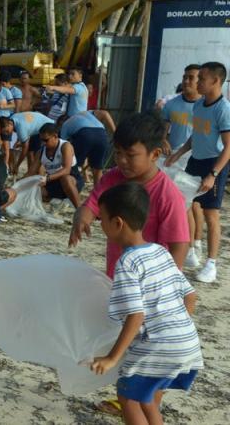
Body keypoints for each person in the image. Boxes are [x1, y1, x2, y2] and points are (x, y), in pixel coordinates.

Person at [90, 182, 203, 425]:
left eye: (102, 219)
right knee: (148, 399)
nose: (100, 225)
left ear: (117, 223)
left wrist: (111, 358)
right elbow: (190, 296)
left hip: (157, 346)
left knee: (127, 396)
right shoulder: (160, 252)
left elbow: (136, 315)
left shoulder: (127, 263)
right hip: (186, 342)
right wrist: (174, 329)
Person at [69, 112, 190, 278]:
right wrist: (81, 217)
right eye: (118, 153)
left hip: (151, 279)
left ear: (154, 154)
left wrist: (172, 282)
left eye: (131, 155)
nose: (122, 160)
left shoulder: (168, 195)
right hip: (117, 274)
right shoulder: (112, 178)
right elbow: (92, 205)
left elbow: (179, 244)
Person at [166, 61, 230, 283]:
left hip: (214, 163)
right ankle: (192, 250)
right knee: (187, 205)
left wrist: (213, 174)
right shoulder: (199, 105)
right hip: (195, 160)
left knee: (211, 214)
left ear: (216, 81)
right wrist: (179, 152)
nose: (197, 82)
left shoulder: (224, 109)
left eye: (201, 78)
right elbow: (197, 135)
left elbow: (229, 147)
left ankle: (211, 264)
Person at [161, 65, 204, 270]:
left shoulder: (206, 107)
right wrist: (162, 139)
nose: (187, 81)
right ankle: (188, 247)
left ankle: (195, 245)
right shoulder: (172, 104)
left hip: (197, 160)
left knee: (194, 206)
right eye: (185, 77)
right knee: (183, 204)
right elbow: (162, 126)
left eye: (192, 78)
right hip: (175, 160)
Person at [27, 123, 83, 208]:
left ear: (55, 136)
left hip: (72, 180)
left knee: (65, 179)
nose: (43, 143)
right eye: (41, 140)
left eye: (46, 140)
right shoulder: (40, 152)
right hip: (54, 182)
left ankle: (79, 209)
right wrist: (17, 186)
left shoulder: (65, 146)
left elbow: (66, 170)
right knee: (34, 191)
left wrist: (47, 178)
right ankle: (57, 200)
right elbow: (30, 173)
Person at [60, 110, 109, 184]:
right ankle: (98, 193)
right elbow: (104, 113)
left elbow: (62, 145)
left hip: (85, 134)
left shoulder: (65, 125)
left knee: (73, 165)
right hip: (102, 135)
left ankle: (74, 188)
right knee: (97, 169)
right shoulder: (85, 113)